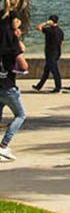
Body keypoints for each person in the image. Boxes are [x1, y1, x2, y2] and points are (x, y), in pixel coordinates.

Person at [0, 12, 24, 161]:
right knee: (20, 115)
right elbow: (23, 62)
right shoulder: (12, 46)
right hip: (8, 86)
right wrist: (17, 38)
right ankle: (4, 146)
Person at [32, 14, 63, 93]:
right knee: (46, 70)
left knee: (54, 70)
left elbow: (38, 27)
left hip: (50, 53)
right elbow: (61, 43)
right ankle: (39, 86)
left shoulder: (49, 30)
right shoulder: (60, 31)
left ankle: (58, 87)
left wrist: (46, 22)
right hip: (57, 52)